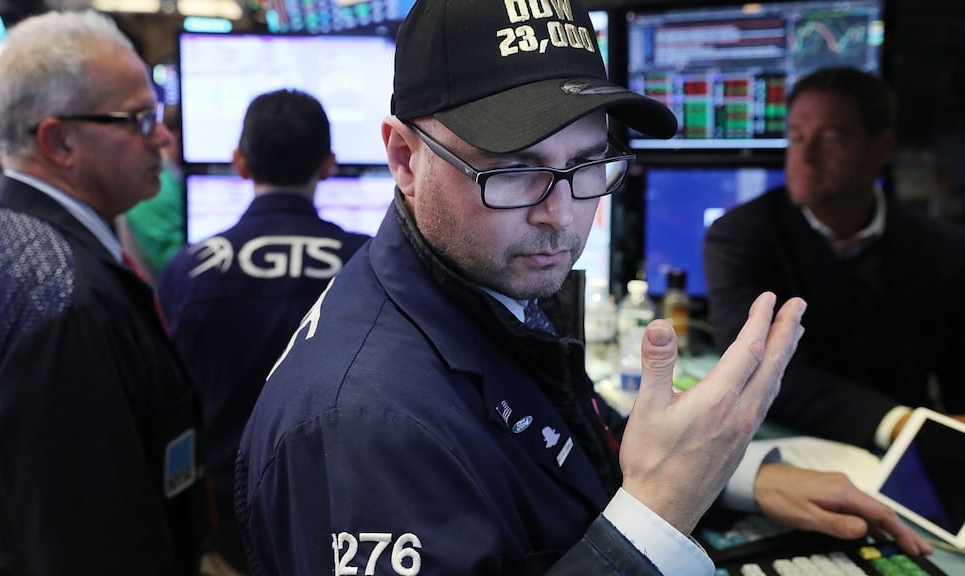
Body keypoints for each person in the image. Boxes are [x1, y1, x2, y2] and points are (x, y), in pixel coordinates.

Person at [236, 2, 929, 574]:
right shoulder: (364, 428)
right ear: (403, 158)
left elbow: (567, 439)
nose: (560, 214)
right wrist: (658, 512)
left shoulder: (476, 289)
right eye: (511, 170)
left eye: (589, 162)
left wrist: (737, 477)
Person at [0, 11, 208, 575]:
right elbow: (94, 546)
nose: (161, 137)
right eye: (139, 119)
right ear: (58, 140)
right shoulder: (67, 301)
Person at [157, 88, 370, 573]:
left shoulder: (188, 271)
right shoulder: (370, 265)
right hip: (340, 516)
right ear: (330, 164)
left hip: (222, 520)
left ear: (239, 162)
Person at [704, 66, 965, 450]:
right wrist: (902, 425)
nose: (804, 156)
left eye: (831, 138)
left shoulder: (941, 248)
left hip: (904, 454)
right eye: (796, 137)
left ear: (880, 148)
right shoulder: (741, 235)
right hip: (780, 445)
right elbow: (760, 369)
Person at [118, 103, 185, 283]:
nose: (162, 137)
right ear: (178, 136)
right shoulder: (156, 184)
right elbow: (178, 266)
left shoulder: (172, 177)